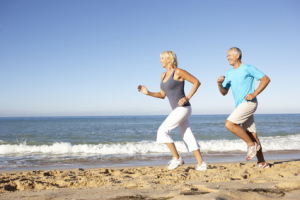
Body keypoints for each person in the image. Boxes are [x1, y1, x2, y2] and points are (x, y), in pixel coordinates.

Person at [138, 51, 207, 171]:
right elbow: (162, 95)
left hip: (183, 108)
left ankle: (177, 158)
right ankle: (201, 163)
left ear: (169, 59)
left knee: (162, 131)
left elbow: (196, 82)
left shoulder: (178, 71)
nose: (160, 60)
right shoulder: (163, 75)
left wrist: (187, 97)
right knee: (187, 135)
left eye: (162, 58)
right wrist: (148, 93)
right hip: (178, 109)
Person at [217, 47, 271, 168]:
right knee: (252, 135)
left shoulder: (248, 68)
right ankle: (262, 162)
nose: (228, 58)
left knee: (229, 124)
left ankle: (251, 145)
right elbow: (224, 92)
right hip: (240, 106)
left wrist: (254, 93)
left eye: (229, 55)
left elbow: (266, 79)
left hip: (249, 103)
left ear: (238, 55)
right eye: (227, 56)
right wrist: (219, 84)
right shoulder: (229, 73)